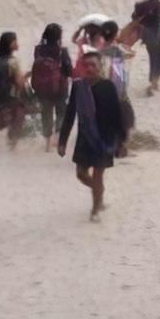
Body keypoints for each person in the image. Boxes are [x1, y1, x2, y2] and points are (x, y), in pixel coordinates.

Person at [58, 51, 126, 222]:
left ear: (99, 67)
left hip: (104, 139)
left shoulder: (108, 86)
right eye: (85, 65)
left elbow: (117, 114)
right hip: (84, 137)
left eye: (92, 65)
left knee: (98, 175)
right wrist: (62, 141)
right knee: (81, 174)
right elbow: (70, 114)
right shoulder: (78, 87)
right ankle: (98, 192)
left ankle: (95, 209)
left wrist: (122, 141)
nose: (89, 69)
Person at [31, 24, 74, 152]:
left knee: (46, 114)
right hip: (60, 88)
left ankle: (47, 144)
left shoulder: (38, 50)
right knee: (61, 112)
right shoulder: (62, 51)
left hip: (42, 89)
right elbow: (68, 70)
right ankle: (57, 135)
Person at [101, 20, 136, 156]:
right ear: (115, 34)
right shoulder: (117, 49)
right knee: (126, 118)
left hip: (102, 92)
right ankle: (120, 147)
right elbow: (131, 54)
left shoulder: (99, 50)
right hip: (117, 91)